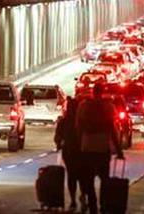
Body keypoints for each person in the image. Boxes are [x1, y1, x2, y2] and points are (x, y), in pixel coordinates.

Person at [76, 84, 124, 214]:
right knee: (105, 180)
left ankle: (93, 207)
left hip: (87, 148)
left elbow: (79, 128)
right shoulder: (108, 107)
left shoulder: (84, 106)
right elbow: (112, 130)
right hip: (102, 149)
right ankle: (104, 205)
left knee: (89, 180)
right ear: (102, 92)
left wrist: (78, 146)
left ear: (93, 92)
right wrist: (119, 150)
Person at [54, 96, 85, 211]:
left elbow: (57, 136)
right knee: (81, 175)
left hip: (70, 151)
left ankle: (73, 200)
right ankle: (82, 196)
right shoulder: (82, 121)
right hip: (80, 152)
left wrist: (59, 144)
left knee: (72, 175)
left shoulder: (64, 121)